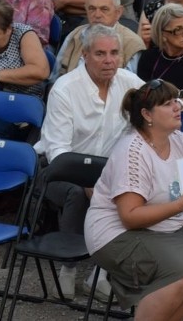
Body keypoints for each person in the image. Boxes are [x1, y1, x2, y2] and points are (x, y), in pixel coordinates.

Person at [84, 79, 183, 317]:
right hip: (116, 233)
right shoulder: (132, 151)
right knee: (176, 277)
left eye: (176, 100)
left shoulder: (180, 141)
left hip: (165, 227)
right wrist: (181, 204)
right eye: (167, 103)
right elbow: (130, 218)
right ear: (147, 114)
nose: (177, 107)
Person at [35, 23, 145, 297]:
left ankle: (99, 273)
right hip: (60, 171)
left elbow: (159, 100)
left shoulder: (129, 82)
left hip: (107, 171)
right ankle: (68, 267)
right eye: (100, 54)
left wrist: (177, 102)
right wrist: (87, 182)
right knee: (80, 194)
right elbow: (58, 151)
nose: (109, 60)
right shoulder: (65, 88)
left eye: (114, 53)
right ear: (85, 54)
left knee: (128, 192)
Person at [56, 0, 146, 76]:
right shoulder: (75, 35)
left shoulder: (132, 44)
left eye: (104, 9)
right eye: (92, 9)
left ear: (118, 12)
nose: (97, 15)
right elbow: (55, 77)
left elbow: (131, 86)